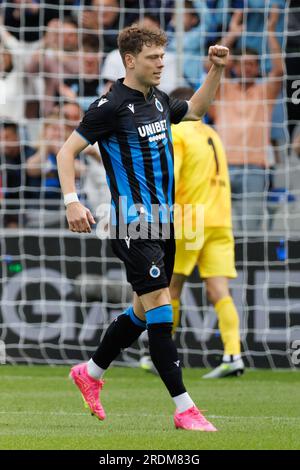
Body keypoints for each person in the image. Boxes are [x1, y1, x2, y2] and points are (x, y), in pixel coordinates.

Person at [57, 25, 229, 431]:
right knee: (160, 310)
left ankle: (91, 372)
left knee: (141, 311)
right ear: (130, 60)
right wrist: (72, 201)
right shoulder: (109, 106)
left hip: (165, 222)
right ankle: (185, 408)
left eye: (163, 58)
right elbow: (67, 152)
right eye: (154, 59)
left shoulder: (158, 100)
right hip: (133, 224)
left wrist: (216, 70)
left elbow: (197, 110)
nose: (161, 65)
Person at [141, 87, 244, 378]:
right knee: (219, 290)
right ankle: (233, 354)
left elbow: (170, 176)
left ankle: (160, 355)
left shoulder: (179, 134)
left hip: (190, 220)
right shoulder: (213, 135)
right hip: (221, 220)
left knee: (169, 289)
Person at [209, 10, 283, 231]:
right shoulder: (223, 89)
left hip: (255, 169)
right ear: (233, 66)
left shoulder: (264, 92)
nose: (247, 68)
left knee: (249, 231)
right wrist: (232, 33)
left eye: (252, 64)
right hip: (223, 166)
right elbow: (209, 65)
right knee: (224, 229)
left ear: (258, 68)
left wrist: (270, 31)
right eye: (242, 63)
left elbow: (279, 70)